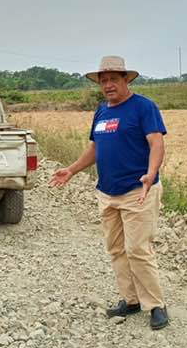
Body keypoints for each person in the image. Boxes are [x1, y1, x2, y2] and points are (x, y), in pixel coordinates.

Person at [49, 55, 169, 330]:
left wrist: (151, 173)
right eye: (103, 80)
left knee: (138, 249)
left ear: (126, 80)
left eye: (114, 79)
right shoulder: (102, 111)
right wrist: (72, 170)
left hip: (138, 190)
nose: (108, 85)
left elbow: (156, 143)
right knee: (116, 249)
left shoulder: (144, 107)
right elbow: (95, 148)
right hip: (107, 192)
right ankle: (131, 300)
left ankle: (155, 305)